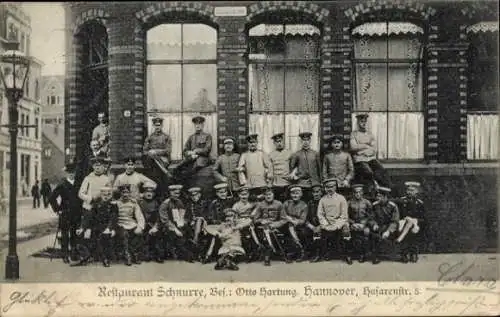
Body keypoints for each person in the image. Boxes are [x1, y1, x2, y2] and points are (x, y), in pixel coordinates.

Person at [76, 186, 118, 267]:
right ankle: (85, 255)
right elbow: (89, 217)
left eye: (108, 194)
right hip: (96, 227)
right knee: (81, 234)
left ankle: (105, 259)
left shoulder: (113, 206)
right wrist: (83, 228)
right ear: (101, 195)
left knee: (103, 237)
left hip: (107, 227)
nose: (106, 196)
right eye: (104, 194)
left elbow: (113, 218)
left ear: (110, 195)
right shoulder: (96, 204)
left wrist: (109, 228)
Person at [48, 163, 81, 263]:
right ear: (66, 173)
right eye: (69, 172)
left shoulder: (78, 184)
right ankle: (65, 255)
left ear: (75, 173)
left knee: (75, 234)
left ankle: (74, 254)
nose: (71, 174)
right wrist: (58, 209)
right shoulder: (62, 184)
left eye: (73, 172)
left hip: (76, 213)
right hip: (65, 213)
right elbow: (52, 198)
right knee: (65, 235)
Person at [350, 113, 391, 190]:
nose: (363, 123)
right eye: (361, 121)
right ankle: (372, 189)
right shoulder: (354, 134)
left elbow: (374, 148)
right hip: (360, 160)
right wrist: (366, 146)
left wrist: (364, 151)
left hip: (370, 158)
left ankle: (385, 190)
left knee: (381, 169)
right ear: (358, 122)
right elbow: (353, 147)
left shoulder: (370, 134)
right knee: (368, 172)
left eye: (365, 121)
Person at [317, 178, 352, 265]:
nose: (329, 189)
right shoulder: (322, 200)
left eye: (332, 187)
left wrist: (336, 225)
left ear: (335, 187)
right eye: (327, 187)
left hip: (340, 222)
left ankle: (347, 255)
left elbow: (344, 215)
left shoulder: (341, 198)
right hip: (327, 223)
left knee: (346, 231)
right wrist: (326, 224)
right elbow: (320, 214)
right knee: (318, 231)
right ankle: (322, 253)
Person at [252, 187, 288, 266]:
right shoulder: (260, 205)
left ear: (273, 195)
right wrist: (261, 221)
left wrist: (275, 224)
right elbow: (255, 219)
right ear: (264, 196)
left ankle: (279, 253)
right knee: (264, 234)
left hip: (275, 226)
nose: (268, 196)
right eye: (266, 195)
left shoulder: (279, 204)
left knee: (275, 234)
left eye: (270, 194)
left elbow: (284, 219)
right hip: (264, 227)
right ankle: (267, 256)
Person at [158, 184, 195, 262]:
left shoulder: (179, 202)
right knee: (172, 234)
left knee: (186, 231)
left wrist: (183, 223)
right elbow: (165, 220)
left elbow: (182, 214)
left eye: (178, 193)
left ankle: (188, 253)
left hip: (176, 223)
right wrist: (175, 229)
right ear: (170, 193)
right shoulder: (165, 204)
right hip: (166, 225)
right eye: (174, 193)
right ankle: (164, 254)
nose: (176, 195)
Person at [202, 183, 235, 263]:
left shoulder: (231, 201)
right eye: (220, 192)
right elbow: (210, 216)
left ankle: (226, 256)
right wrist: (218, 222)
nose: (223, 194)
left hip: (229, 225)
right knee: (213, 234)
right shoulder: (214, 203)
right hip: (218, 225)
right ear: (217, 193)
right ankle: (208, 255)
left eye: (224, 192)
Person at [367, 187, 400, 264]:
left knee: (387, 236)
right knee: (374, 234)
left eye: (380, 196)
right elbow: (370, 217)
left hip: (390, 227)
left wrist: (388, 231)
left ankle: (391, 254)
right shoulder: (375, 205)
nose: (378, 198)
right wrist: (374, 224)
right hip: (378, 226)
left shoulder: (393, 206)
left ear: (385, 197)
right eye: (377, 196)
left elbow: (395, 221)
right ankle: (376, 256)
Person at [395, 181, 425, 263]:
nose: (409, 192)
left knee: (413, 232)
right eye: (408, 190)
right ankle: (404, 254)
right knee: (407, 229)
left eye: (412, 190)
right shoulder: (401, 201)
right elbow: (398, 214)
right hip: (403, 223)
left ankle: (413, 253)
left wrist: (416, 221)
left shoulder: (419, 203)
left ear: (416, 192)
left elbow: (423, 218)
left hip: (415, 225)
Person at [115, 184, 145, 266]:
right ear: (120, 193)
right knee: (124, 235)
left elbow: (139, 216)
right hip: (120, 224)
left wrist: (140, 226)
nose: (125, 194)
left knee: (139, 233)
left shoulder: (133, 203)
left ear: (130, 193)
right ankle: (127, 256)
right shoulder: (116, 203)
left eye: (127, 192)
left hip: (131, 223)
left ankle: (135, 255)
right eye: (123, 192)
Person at [143, 116, 172, 198]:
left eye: (159, 125)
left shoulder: (166, 137)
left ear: (162, 126)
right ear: (153, 126)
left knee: (163, 182)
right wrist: (150, 153)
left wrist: (156, 152)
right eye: (156, 125)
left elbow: (168, 150)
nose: (157, 127)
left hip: (163, 163)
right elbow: (144, 151)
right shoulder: (149, 138)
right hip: (152, 164)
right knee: (154, 180)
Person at [238, 134, 272, 200]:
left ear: (257, 143)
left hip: (262, 184)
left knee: (262, 201)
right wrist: (243, 182)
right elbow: (240, 170)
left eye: (254, 142)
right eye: (250, 142)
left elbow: (269, 166)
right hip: (250, 185)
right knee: (252, 201)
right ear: (248, 144)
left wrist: (268, 180)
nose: (252, 144)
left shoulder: (262, 154)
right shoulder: (244, 155)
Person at [232, 186, 261, 262]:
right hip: (240, 222)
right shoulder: (236, 205)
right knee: (241, 234)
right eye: (242, 195)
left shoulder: (251, 203)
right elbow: (234, 217)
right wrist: (237, 222)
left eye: (246, 194)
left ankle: (254, 251)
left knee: (251, 231)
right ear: (239, 195)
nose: (244, 196)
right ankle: (241, 253)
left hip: (250, 221)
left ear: (248, 195)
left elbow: (258, 205)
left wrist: (254, 212)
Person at [289, 132, 322, 201]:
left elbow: (319, 169)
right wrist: (296, 176)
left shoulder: (315, 153)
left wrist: (320, 181)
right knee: (304, 201)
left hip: (314, 183)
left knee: (314, 201)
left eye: (307, 140)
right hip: (302, 183)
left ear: (310, 141)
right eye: (304, 140)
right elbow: (292, 169)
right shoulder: (297, 154)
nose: (305, 142)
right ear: (301, 141)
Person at [138, 181, 163, 263]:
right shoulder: (140, 202)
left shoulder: (157, 203)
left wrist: (156, 226)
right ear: (143, 193)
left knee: (157, 235)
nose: (149, 194)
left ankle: (158, 255)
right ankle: (146, 254)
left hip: (154, 224)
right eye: (147, 192)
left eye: (151, 192)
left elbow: (159, 216)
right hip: (143, 224)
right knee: (144, 237)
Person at [347, 184, 373, 263]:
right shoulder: (349, 203)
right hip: (353, 223)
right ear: (353, 193)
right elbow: (345, 215)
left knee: (366, 232)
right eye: (356, 192)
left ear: (362, 193)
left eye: (360, 192)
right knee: (347, 233)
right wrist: (352, 223)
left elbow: (371, 215)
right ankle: (349, 255)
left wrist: (364, 223)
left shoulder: (367, 202)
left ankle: (362, 254)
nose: (358, 194)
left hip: (363, 223)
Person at [282, 186, 308, 262]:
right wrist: (290, 220)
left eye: (297, 193)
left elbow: (302, 220)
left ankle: (302, 252)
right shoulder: (287, 203)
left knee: (303, 232)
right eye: (293, 193)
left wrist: (292, 221)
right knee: (287, 231)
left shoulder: (304, 205)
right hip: (287, 225)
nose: (295, 195)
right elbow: (283, 215)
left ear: (301, 194)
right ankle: (292, 252)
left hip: (299, 226)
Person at [186, 186, 211, 259]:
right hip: (192, 224)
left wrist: (203, 219)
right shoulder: (189, 205)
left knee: (199, 221)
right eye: (192, 195)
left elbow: (209, 214)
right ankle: (194, 250)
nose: (194, 197)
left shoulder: (206, 203)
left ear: (199, 194)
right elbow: (187, 216)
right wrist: (191, 220)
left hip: (205, 223)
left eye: (195, 195)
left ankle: (195, 240)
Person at [269, 133, 293, 202]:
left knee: (287, 203)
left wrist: (292, 175)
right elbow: (270, 170)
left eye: (280, 141)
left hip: (286, 183)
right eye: (277, 142)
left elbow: (294, 167)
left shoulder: (289, 153)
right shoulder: (271, 155)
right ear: (274, 143)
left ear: (283, 141)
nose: (279, 143)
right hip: (276, 184)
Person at [306, 184, 323, 262]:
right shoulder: (310, 203)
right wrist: (311, 226)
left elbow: (329, 217)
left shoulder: (325, 202)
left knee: (318, 233)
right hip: (312, 226)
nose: (316, 194)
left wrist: (320, 226)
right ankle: (310, 252)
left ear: (321, 192)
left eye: (318, 192)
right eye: (314, 192)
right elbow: (305, 217)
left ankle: (318, 254)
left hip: (323, 225)